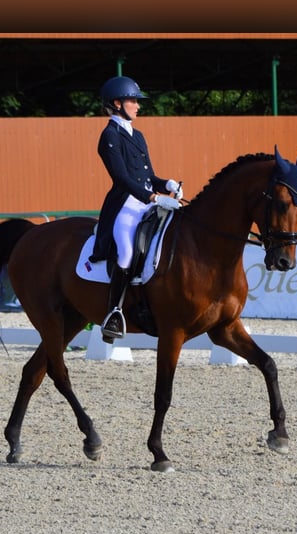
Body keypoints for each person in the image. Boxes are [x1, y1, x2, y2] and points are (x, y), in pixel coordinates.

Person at [90, 75, 182, 342]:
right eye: (133, 101)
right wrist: (153, 197)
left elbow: (148, 175)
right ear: (117, 103)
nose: (138, 106)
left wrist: (167, 184)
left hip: (145, 200)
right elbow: (122, 178)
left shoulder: (138, 135)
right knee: (127, 253)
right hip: (125, 205)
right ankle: (114, 313)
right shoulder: (109, 136)